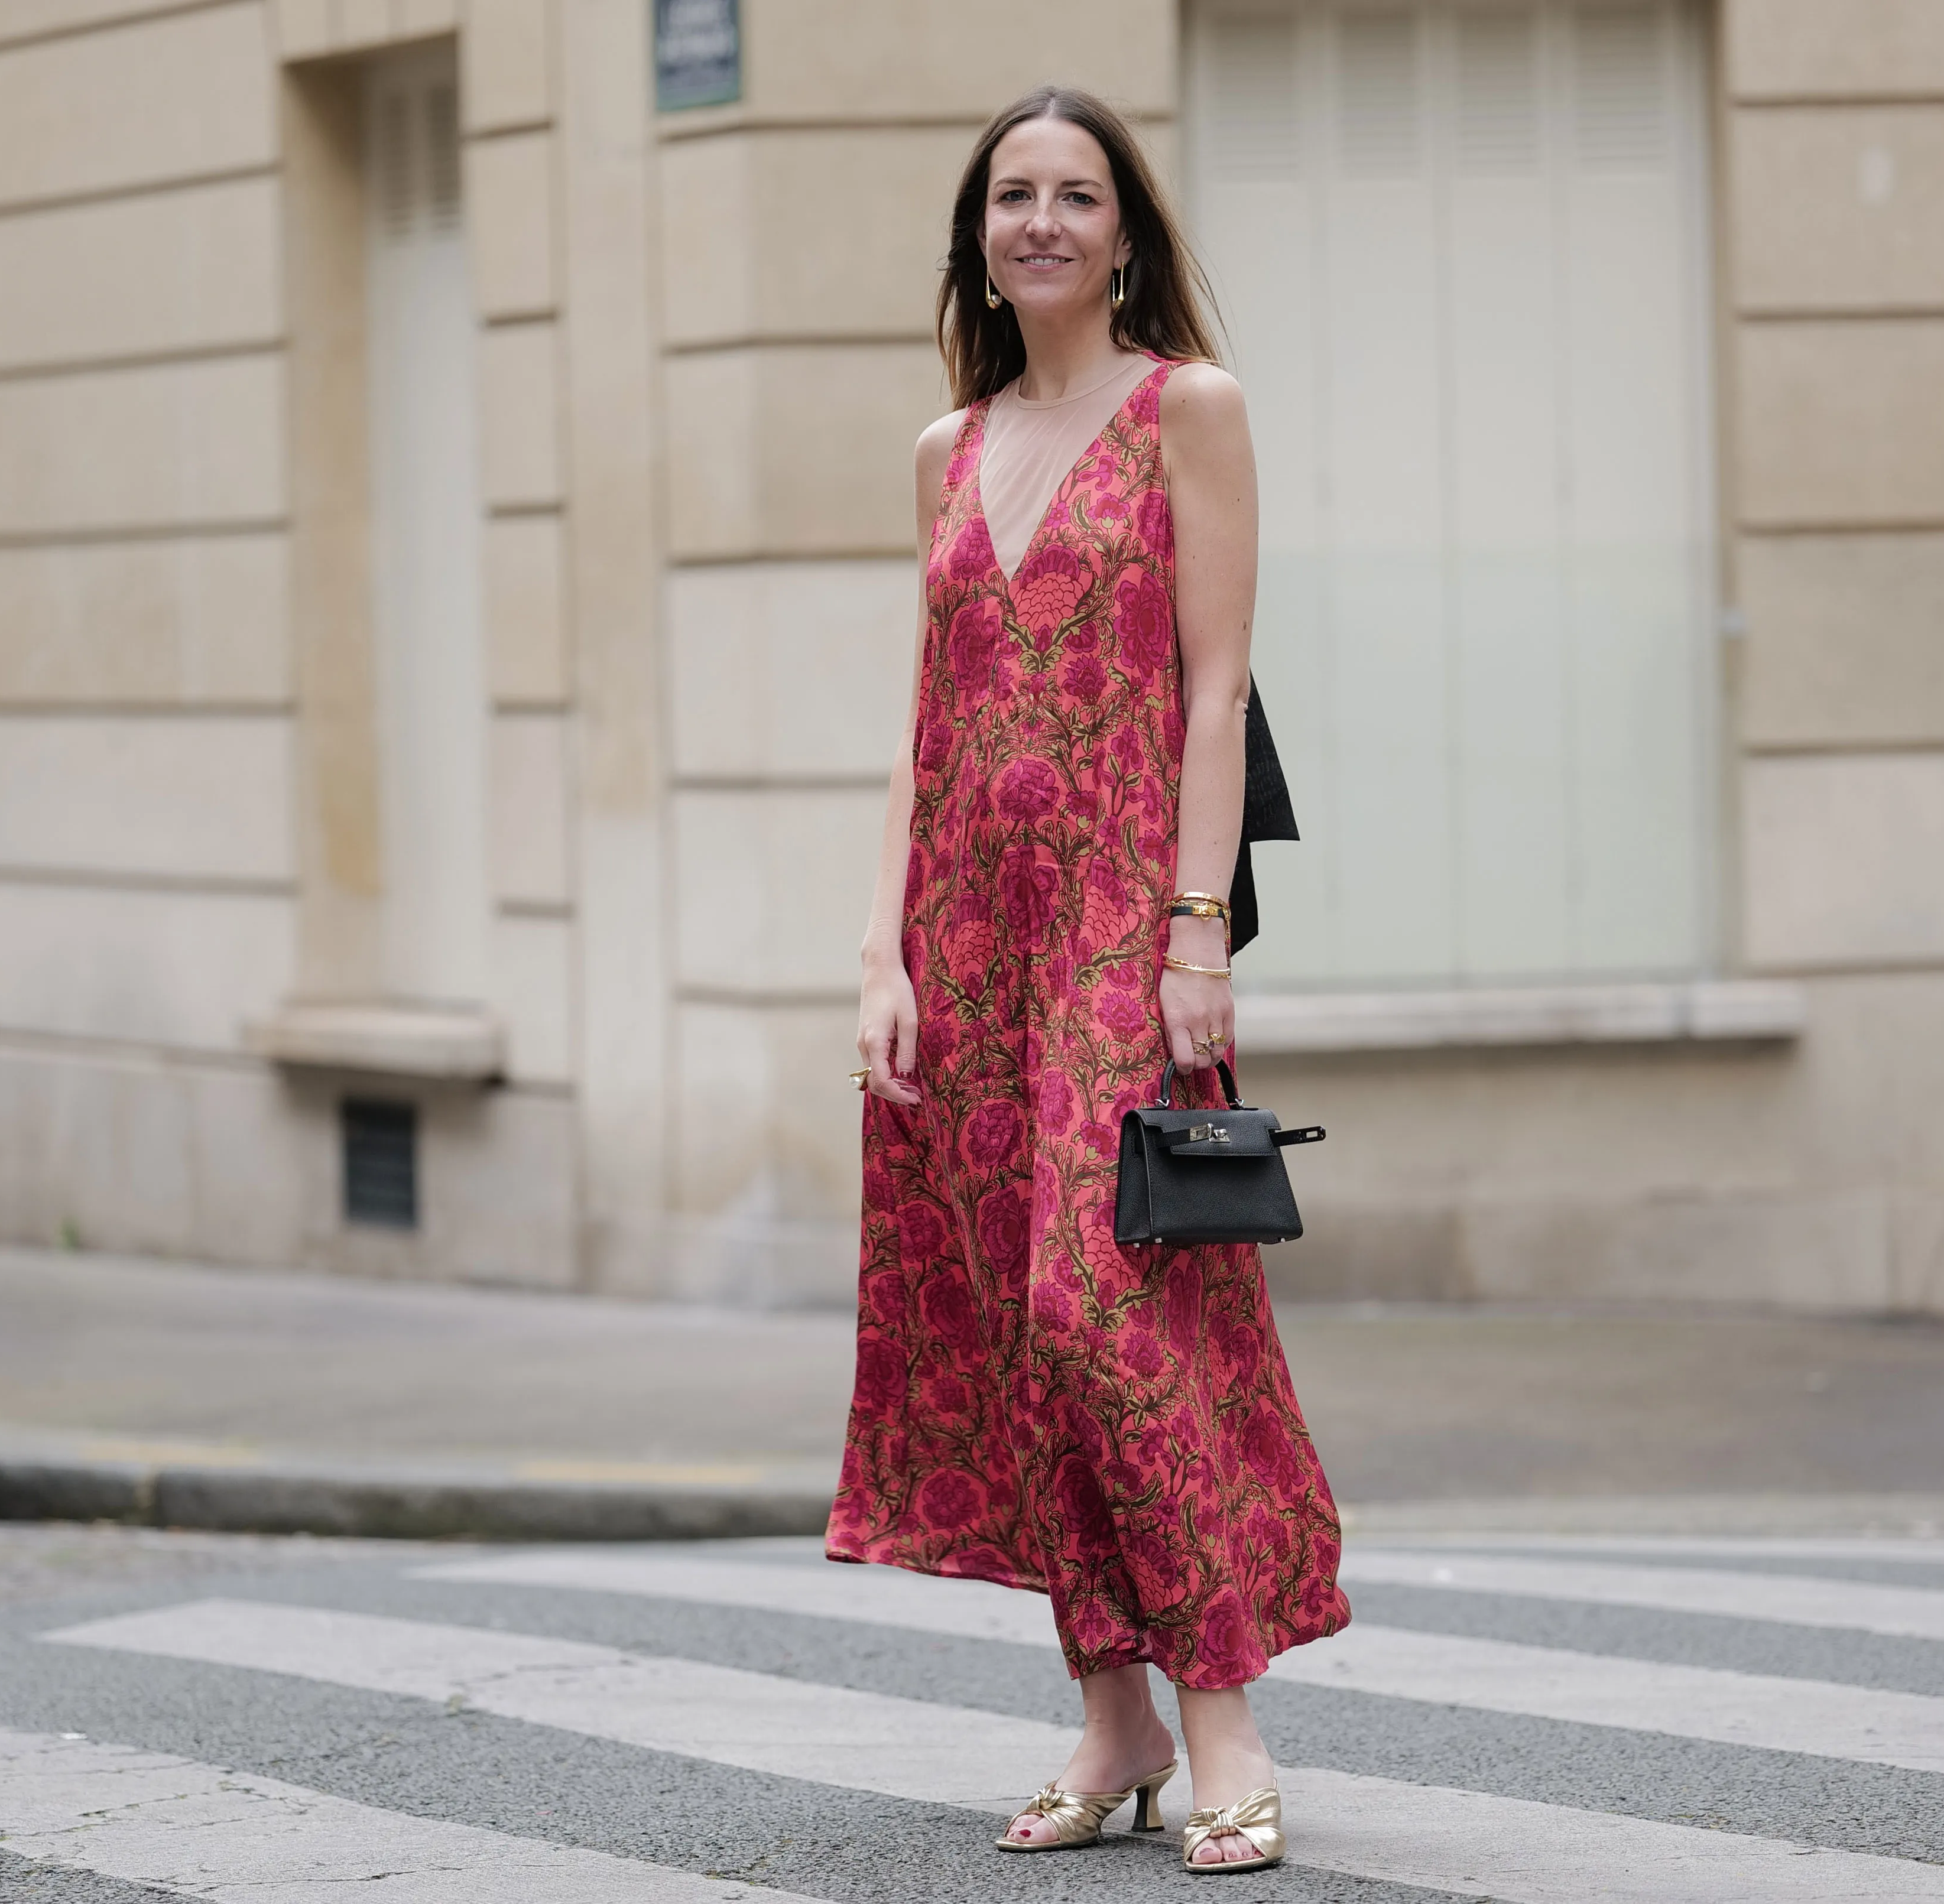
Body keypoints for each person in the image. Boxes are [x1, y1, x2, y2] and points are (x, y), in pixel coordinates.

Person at [823, 83, 1350, 1876]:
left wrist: (1196, 932)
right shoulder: (943, 448)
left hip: (1122, 928)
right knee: (1012, 1338)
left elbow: (1216, 687)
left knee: (1104, 1311)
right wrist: (880, 951)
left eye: (1075, 195)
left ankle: (1221, 1711)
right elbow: (923, 719)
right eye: (1010, 197)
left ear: (1126, 232)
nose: (1040, 222)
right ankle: (1108, 1711)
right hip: (968, 945)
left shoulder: (1186, 411)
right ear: (979, 236)